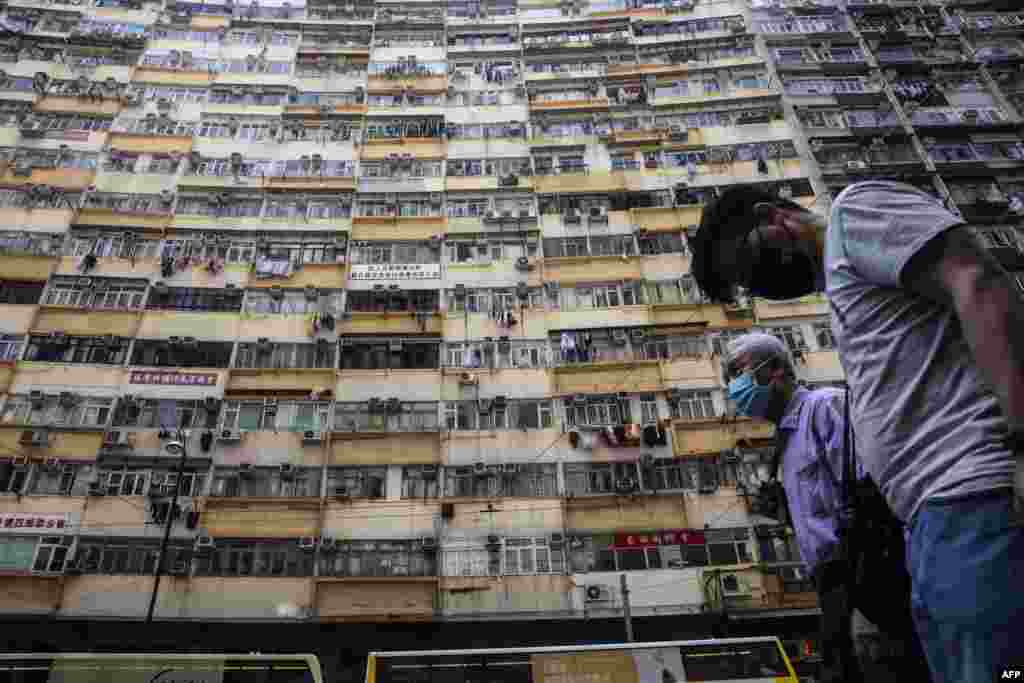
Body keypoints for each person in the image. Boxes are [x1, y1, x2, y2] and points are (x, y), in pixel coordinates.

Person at [689, 181, 1024, 682]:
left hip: (975, 490)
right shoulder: (845, 297)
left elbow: (977, 282)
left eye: (746, 268)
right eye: (744, 286)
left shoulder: (852, 214)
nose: (757, 287)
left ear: (772, 218)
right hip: (934, 521)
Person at [724, 332, 931, 683]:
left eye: (739, 372)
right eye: (729, 377)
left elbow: (871, 489)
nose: (734, 387)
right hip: (831, 581)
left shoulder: (824, 406)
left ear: (774, 371)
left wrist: (865, 575)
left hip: (867, 567)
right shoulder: (785, 441)